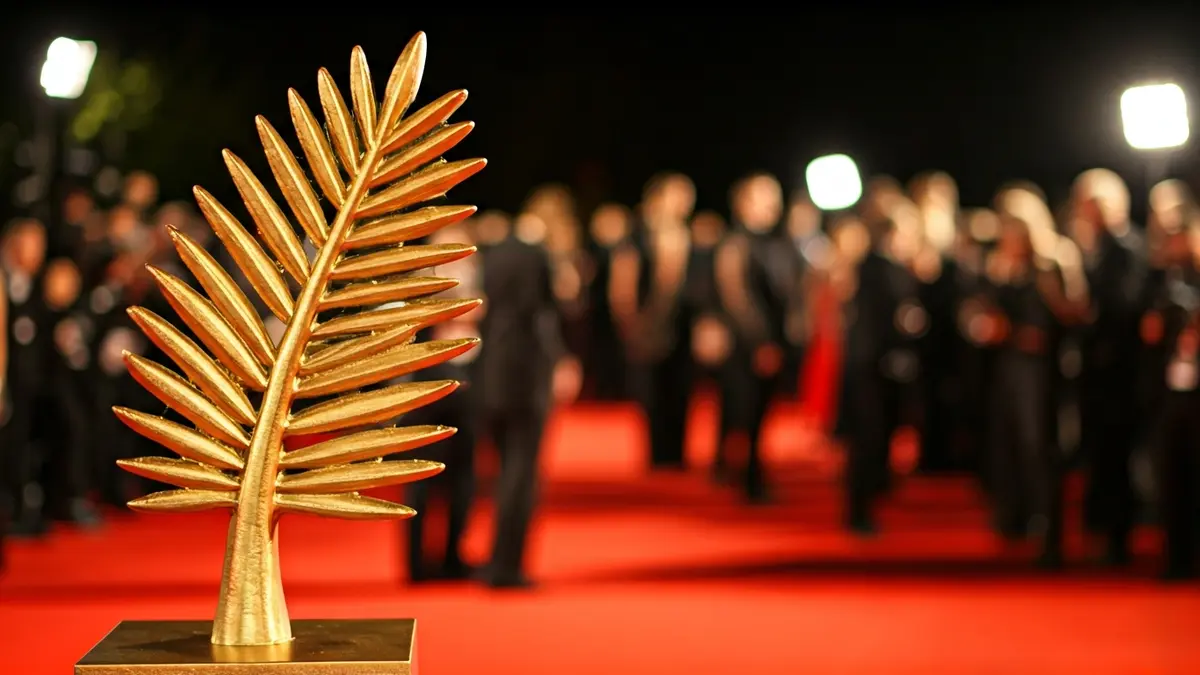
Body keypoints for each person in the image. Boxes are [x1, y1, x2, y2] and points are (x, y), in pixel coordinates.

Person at [980, 187, 1089, 567]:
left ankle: (1050, 534)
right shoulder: (999, 265)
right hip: (1007, 366)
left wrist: (1043, 319)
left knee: (1040, 449)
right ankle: (1015, 522)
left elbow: (1076, 313)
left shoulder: (1054, 260)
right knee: (1008, 444)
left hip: (1044, 371)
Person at [475, 211, 580, 588]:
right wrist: (561, 358)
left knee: (502, 470)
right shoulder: (540, 258)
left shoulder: (492, 253)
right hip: (528, 374)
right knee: (521, 475)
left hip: (491, 371)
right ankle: (508, 566)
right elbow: (545, 315)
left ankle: (495, 560)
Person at [1071, 168, 1148, 565]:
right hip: (1100, 372)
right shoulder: (1096, 248)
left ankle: (1119, 537)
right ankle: (1104, 532)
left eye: (1096, 205)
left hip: (1120, 373)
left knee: (1116, 454)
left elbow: (1123, 307)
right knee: (1101, 453)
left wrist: (1088, 315)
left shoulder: (1127, 248)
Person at [402, 221, 484, 583]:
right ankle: (416, 563)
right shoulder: (420, 284)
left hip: (471, 379)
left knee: (464, 474)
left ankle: (453, 554)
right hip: (428, 382)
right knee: (420, 475)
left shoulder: (479, 280)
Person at [715, 172, 800, 503]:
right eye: (764, 196)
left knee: (762, 411)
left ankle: (749, 471)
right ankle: (744, 476)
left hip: (774, 341)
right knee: (744, 409)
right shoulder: (737, 243)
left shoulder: (778, 243)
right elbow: (737, 297)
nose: (773, 204)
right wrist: (760, 341)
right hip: (748, 345)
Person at [840, 206, 926, 533]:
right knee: (868, 437)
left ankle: (871, 496)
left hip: (881, 362)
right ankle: (859, 509)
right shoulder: (875, 266)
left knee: (879, 434)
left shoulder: (886, 266)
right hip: (871, 364)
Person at [609, 173, 695, 470]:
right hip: (646, 325)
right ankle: (658, 454)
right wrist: (630, 322)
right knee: (652, 393)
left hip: (680, 325)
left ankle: (677, 453)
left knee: (681, 389)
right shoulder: (638, 236)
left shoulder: (688, 235)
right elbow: (623, 284)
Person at [1138, 193, 1200, 580]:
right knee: (1171, 474)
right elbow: (1146, 332)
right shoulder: (1159, 282)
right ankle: (1176, 555)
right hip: (1169, 391)